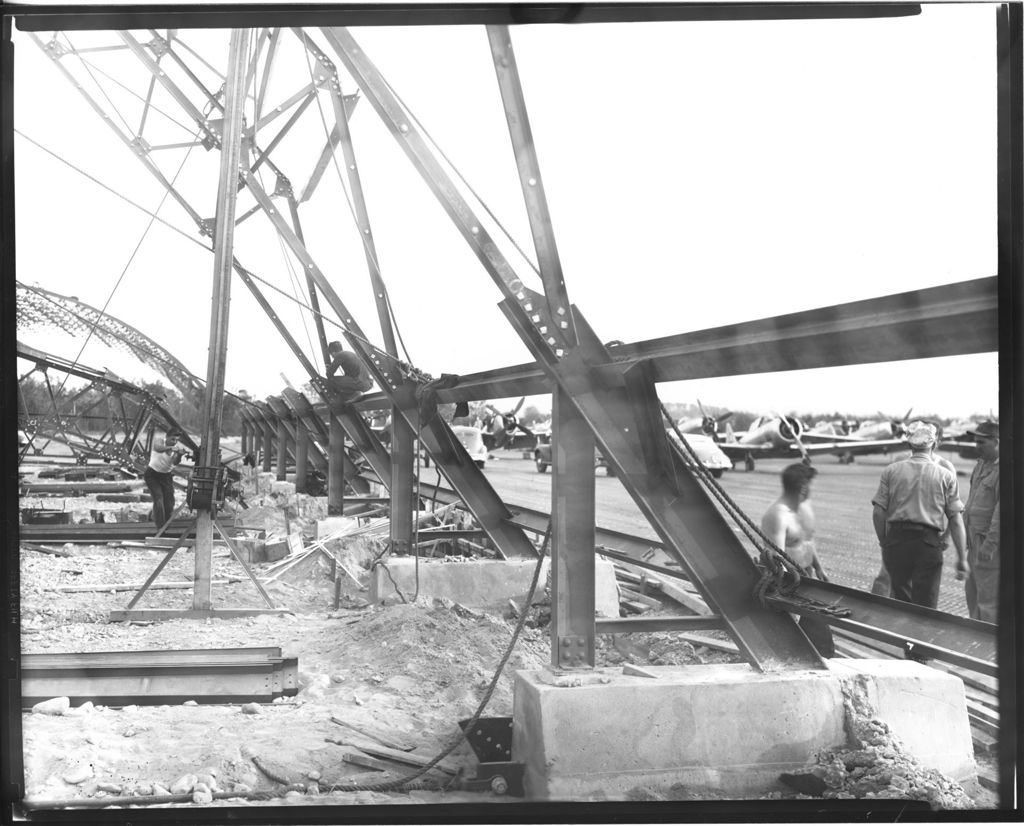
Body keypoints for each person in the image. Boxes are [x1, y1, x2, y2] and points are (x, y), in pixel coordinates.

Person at [871, 421, 968, 608]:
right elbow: (956, 520)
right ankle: (918, 636)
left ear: (909, 443)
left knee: (899, 602)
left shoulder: (892, 469)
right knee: (925, 606)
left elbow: (878, 512)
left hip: (896, 541)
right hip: (928, 543)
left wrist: (884, 540)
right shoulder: (946, 474)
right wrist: (962, 558)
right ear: (934, 442)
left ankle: (897, 635)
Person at [761, 463, 834, 657]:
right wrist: (788, 598)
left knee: (822, 643)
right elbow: (776, 560)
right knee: (788, 641)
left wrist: (819, 568)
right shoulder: (776, 516)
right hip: (789, 586)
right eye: (811, 485)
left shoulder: (803, 510)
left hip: (808, 580)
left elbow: (808, 540)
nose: (813, 490)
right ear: (803, 487)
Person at [964, 421, 1000, 622]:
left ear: (996, 442)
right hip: (974, 542)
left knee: (988, 602)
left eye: (981, 443)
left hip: (989, 545)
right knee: (973, 595)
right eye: (975, 442)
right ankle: (976, 640)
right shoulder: (981, 465)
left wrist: (990, 546)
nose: (976, 446)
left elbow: (1001, 514)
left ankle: (986, 649)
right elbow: (970, 504)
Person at [145, 430, 183, 528]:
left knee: (170, 502)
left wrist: (179, 455)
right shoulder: (160, 441)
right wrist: (171, 447)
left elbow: (175, 462)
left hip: (166, 476)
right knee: (158, 499)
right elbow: (158, 448)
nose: (175, 442)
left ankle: (166, 523)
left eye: (177, 440)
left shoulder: (175, 450)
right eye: (173, 439)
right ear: (167, 437)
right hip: (152, 475)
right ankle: (160, 527)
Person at [324, 341, 372, 410]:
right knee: (343, 381)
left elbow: (329, 374)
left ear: (333, 352)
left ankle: (354, 394)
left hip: (359, 384)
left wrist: (329, 368)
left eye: (331, 355)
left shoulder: (340, 355)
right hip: (367, 384)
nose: (332, 357)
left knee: (331, 380)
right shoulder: (351, 353)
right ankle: (354, 395)